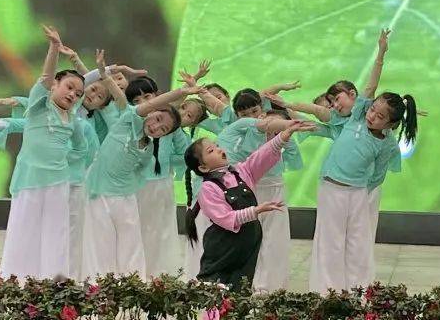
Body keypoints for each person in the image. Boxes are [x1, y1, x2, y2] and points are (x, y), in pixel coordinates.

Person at [307, 29, 418, 293]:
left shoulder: (386, 143)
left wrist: (361, 194)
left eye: (380, 117)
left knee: (357, 243)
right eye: (372, 110)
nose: (372, 116)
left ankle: (359, 290)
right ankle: (328, 292)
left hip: (356, 193)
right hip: (330, 187)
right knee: (329, 241)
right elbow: (370, 85)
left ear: (390, 124)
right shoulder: (357, 116)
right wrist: (381, 53)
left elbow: (378, 175)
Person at [81, 50, 197, 279]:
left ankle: (137, 283)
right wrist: (182, 91)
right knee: (101, 243)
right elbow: (119, 94)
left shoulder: (149, 147)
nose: (156, 126)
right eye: (156, 119)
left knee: (135, 242)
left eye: (163, 129)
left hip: (126, 195)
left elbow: (172, 150)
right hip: (99, 192)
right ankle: (99, 285)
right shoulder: (129, 118)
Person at [0, 25, 85, 280]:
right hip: (30, 180)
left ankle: (53, 283)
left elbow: (81, 148)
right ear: (56, 85)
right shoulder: (39, 106)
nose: (73, 95)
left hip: (58, 182)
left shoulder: (73, 121)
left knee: (56, 234)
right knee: (24, 231)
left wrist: (67, 163)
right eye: (69, 87)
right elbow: (45, 78)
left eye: (78, 94)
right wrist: (54, 48)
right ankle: (16, 281)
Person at [182, 120, 315, 289]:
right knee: (217, 292)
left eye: (216, 146)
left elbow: (261, 156)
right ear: (203, 167)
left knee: (240, 292)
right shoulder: (207, 189)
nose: (219, 150)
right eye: (211, 151)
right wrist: (256, 211)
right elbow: (226, 219)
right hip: (223, 249)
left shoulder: (240, 172)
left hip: (246, 248)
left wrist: (283, 136)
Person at [215, 108, 302, 291]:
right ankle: (241, 282)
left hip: (274, 189)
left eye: (278, 129)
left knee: (274, 239)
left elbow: (295, 162)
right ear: (262, 119)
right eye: (273, 125)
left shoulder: (283, 143)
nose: (273, 132)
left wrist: (287, 136)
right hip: (249, 190)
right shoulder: (247, 132)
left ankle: (269, 286)